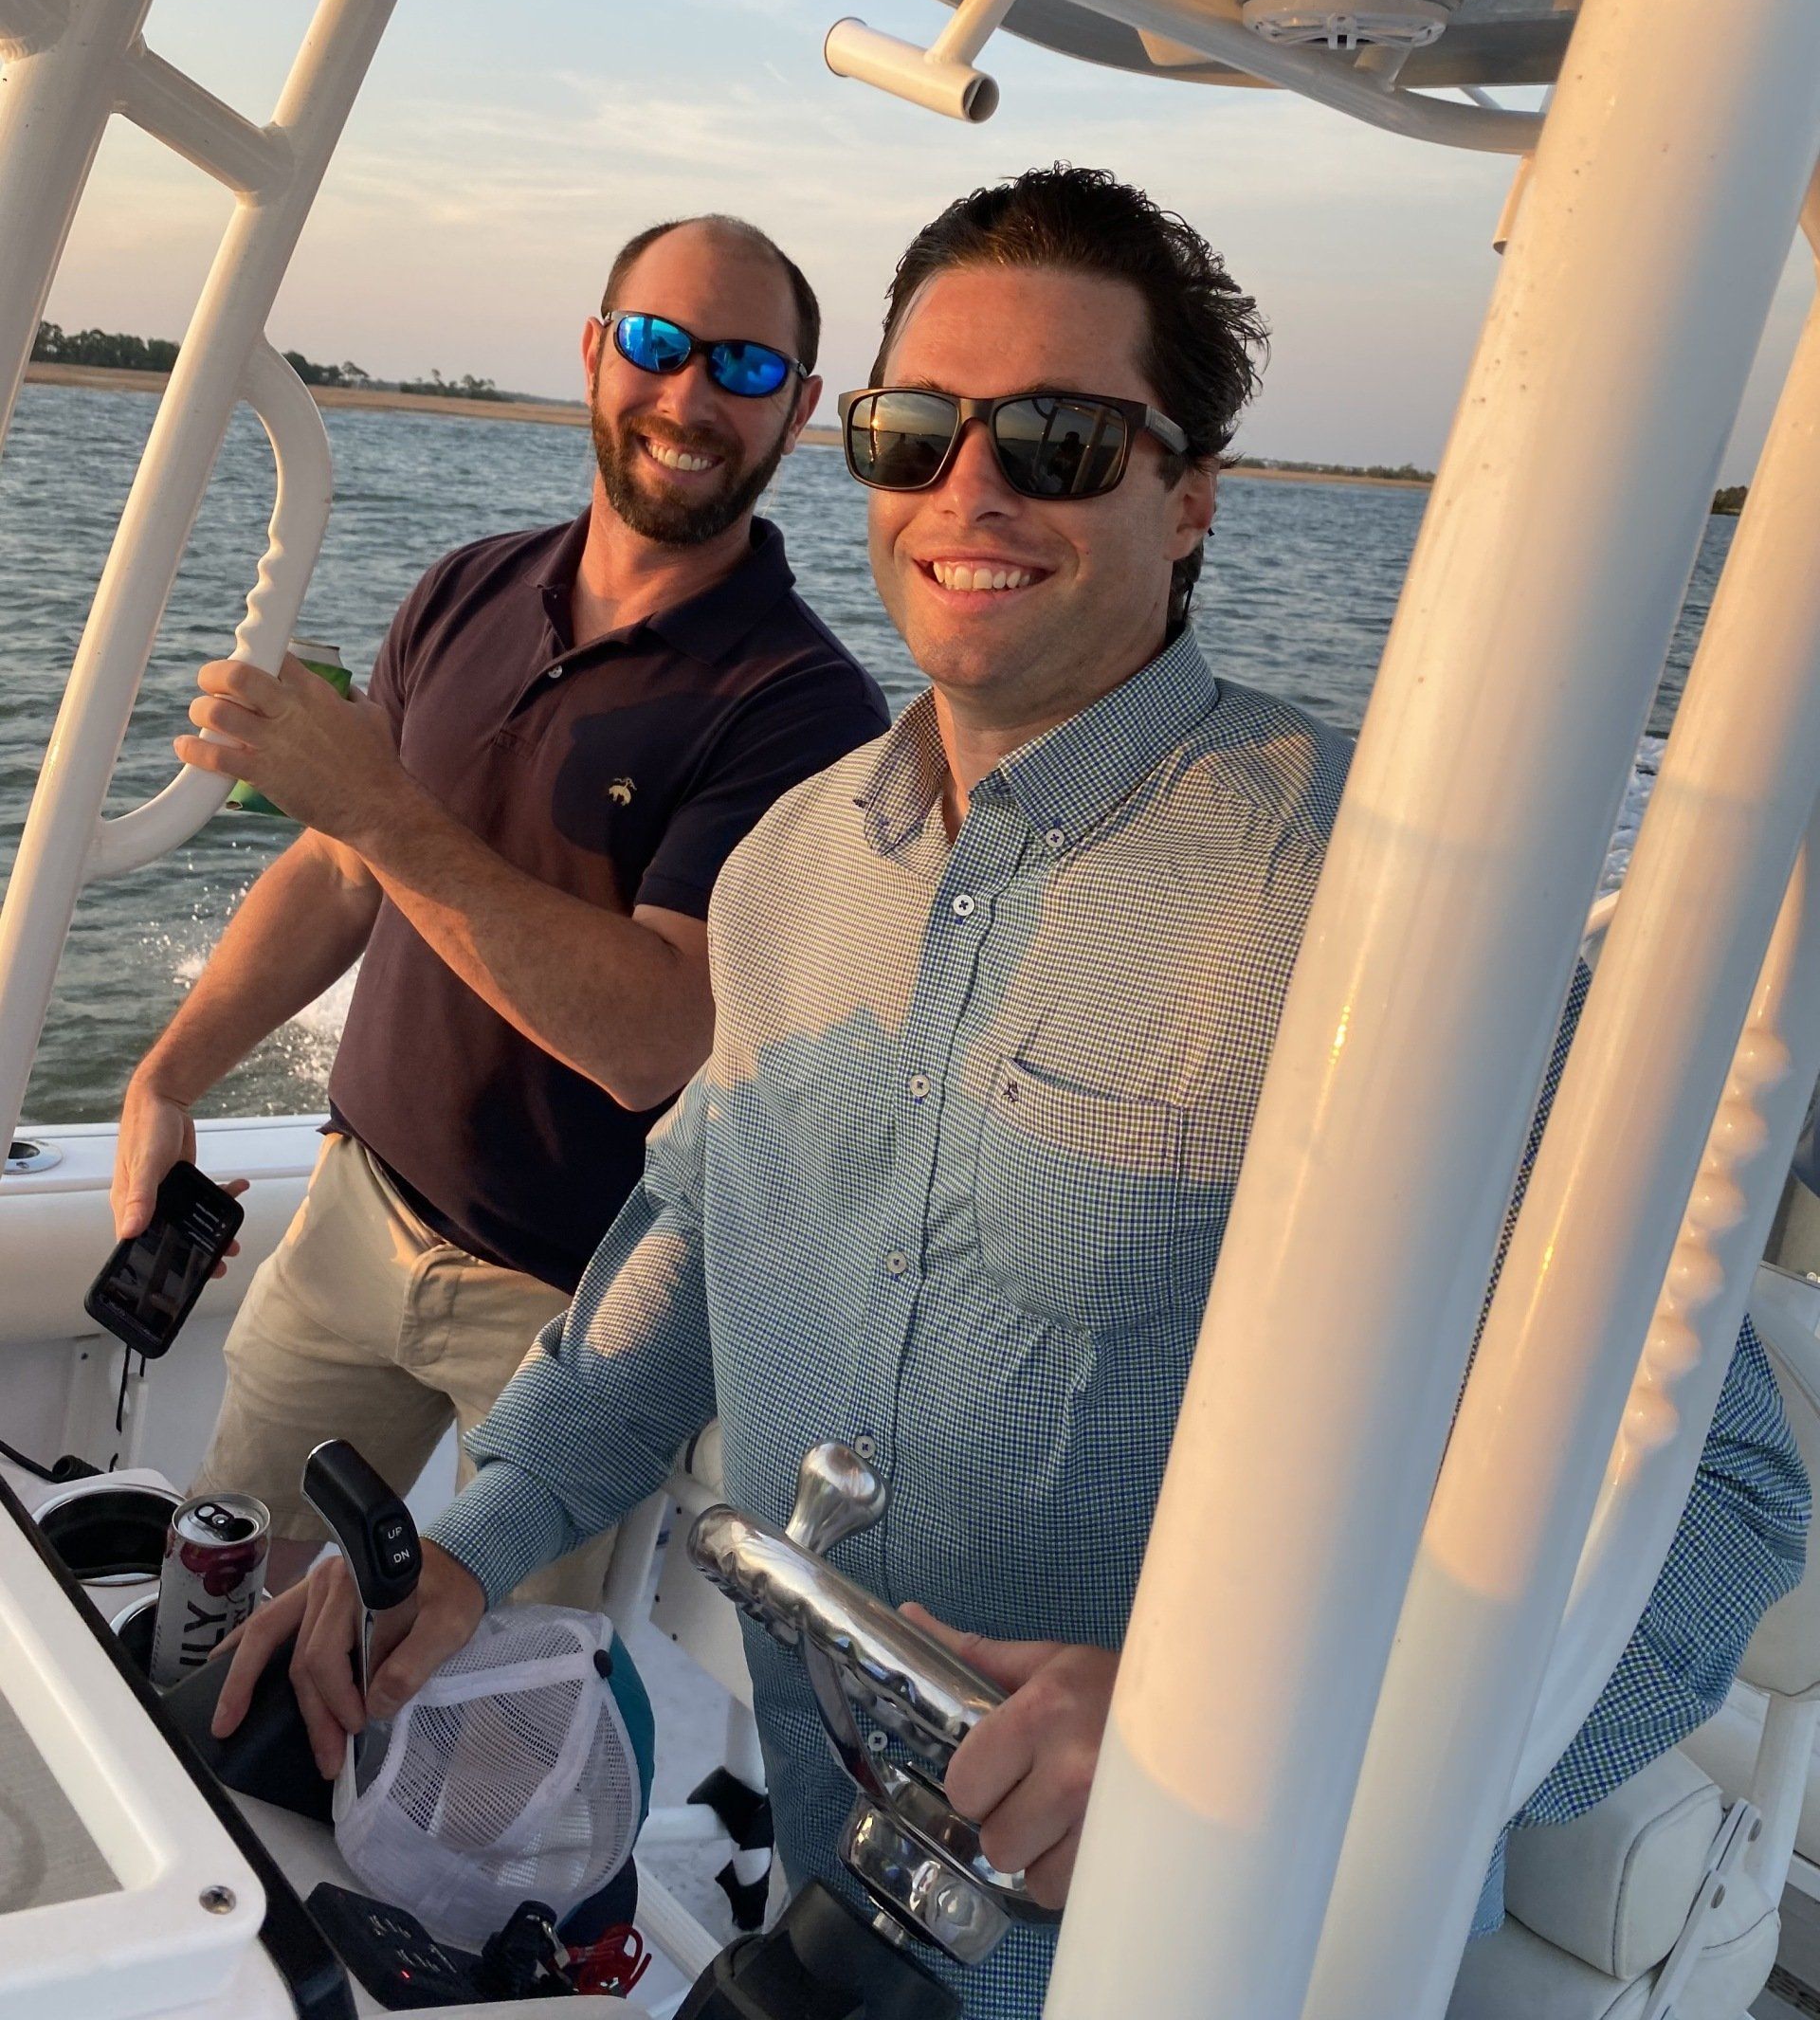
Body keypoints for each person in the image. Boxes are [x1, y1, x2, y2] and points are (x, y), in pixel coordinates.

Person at [219, 169, 1808, 2016]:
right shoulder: (792, 864)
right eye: (914, 429)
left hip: (1215, 1950)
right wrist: (476, 1550)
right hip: (836, 1894)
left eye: (1057, 439)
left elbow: (1721, 1490)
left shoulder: (1387, 912)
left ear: (1190, 493)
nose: (968, 490)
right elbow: (686, 1251)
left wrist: (1223, 1736)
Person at [116, 213, 887, 1600]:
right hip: (351, 1221)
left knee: (498, 1725)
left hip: (577, 1313)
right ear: (595, 354)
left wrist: (377, 807)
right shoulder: (468, 588)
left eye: (746, 369)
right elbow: (343, 875)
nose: (690, 397)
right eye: (654, 344)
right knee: (218, 1615)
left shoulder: (805, 707)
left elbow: (656, 1036)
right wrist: (168, 1077)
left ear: (803, 412)